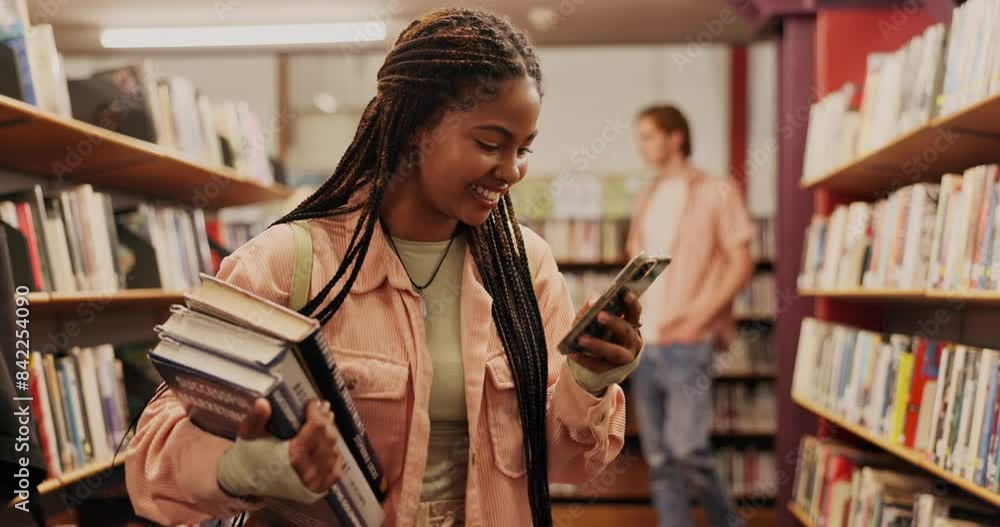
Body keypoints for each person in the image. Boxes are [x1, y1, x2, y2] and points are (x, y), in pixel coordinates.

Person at [125, 8, 646, 527]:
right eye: (489, 144)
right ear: (418, 129)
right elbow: (152, 462)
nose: (511, 170)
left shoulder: (523, 268)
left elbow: (560, 461)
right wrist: (255, 467)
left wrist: (589, 381)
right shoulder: (288, 263)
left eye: (523, 148)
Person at [627, 105, 754, 527]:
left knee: (688, 450)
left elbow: (741, 262)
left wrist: (699, 318)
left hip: (687, 342)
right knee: (661, 458)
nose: (642, 145)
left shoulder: (717, 190)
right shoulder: (646, 197)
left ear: (675, 136)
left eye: (648, 136)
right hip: (646, 343)